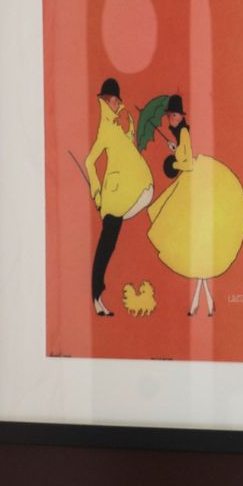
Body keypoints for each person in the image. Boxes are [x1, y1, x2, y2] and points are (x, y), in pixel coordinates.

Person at [145, 95, 243, 315]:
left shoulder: (183, 132)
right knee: (195, 242)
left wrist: (174, 159)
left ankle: (200, 304)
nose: (170, 119)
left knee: (192, 236)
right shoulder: (180, 135)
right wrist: (175, 149)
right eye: (169, 116)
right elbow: (185, 154)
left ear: (181, 116)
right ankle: (205, 303)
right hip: (189, 180)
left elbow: (186, 162)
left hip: (193, 183)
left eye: (173, 115)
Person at [83, 78, 154, 316]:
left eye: (115, 100)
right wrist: (96, 192)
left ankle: (97, 297)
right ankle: (96, 297)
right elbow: (89, 161)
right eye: (110, 100)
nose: (114, 103)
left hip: (125, 192)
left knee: (109, 245)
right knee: (106, 246)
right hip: (112, 197)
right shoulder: (105, 128)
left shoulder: (119, 123)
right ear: (104, 101)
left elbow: (127, 152)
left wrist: (130, 128)